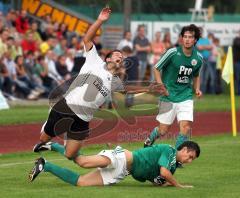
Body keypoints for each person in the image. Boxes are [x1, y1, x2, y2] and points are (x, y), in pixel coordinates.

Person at [33, 7, 164, 166]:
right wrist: (100, 20)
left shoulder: (115, 81)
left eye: (122, 58)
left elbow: (127, 88)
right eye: (117, 55)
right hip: (66, 107)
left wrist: (148, 88)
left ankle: (52, 146)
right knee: (43, 138)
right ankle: (47, 135)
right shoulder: (94, 59)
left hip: (84, 118)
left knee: (70, 154)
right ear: (108, 58)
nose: (120, 58)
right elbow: (87, 38)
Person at [29, 141, 200, 188]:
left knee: (80, 182)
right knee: (82, 162)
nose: (189, 160)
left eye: (192, 160)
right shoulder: (169, 151)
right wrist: (178, 186)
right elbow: (163, 173)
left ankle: (45, 165)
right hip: (122, 158)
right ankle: (52, 145)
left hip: (122, 172)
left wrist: (164, 183)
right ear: (184, 149)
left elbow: (158, 179)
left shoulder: (173, 166)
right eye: (190, 156)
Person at [144, 24, 203, 150]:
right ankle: (149, 140)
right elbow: (156, 68)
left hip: (185, 96)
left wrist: (197, 89)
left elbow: (196, 75)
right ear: (181, 38)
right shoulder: (172, 52)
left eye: (190, 37)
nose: (187, 39)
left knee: (185, 127)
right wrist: (161, 86)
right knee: (163, 130)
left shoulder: (198, 58)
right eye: (185, 37)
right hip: (168, 96)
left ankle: (177, 156)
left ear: (195, 40)